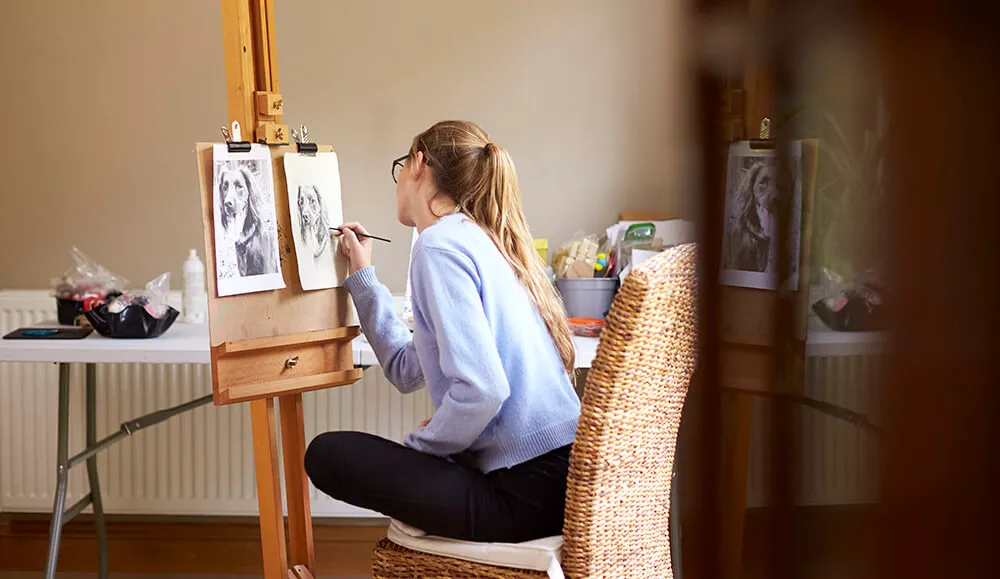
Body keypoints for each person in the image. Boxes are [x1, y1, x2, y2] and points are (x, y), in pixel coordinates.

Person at [304, 120, 582, 544]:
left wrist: (421, 451)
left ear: (417, 164)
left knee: (325, 454)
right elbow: (405, 368)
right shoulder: (479, 238)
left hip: (523, 495)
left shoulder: (438, 247)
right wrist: (363, 276)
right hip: (563, 480)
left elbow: (484, 390)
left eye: (400, 166)